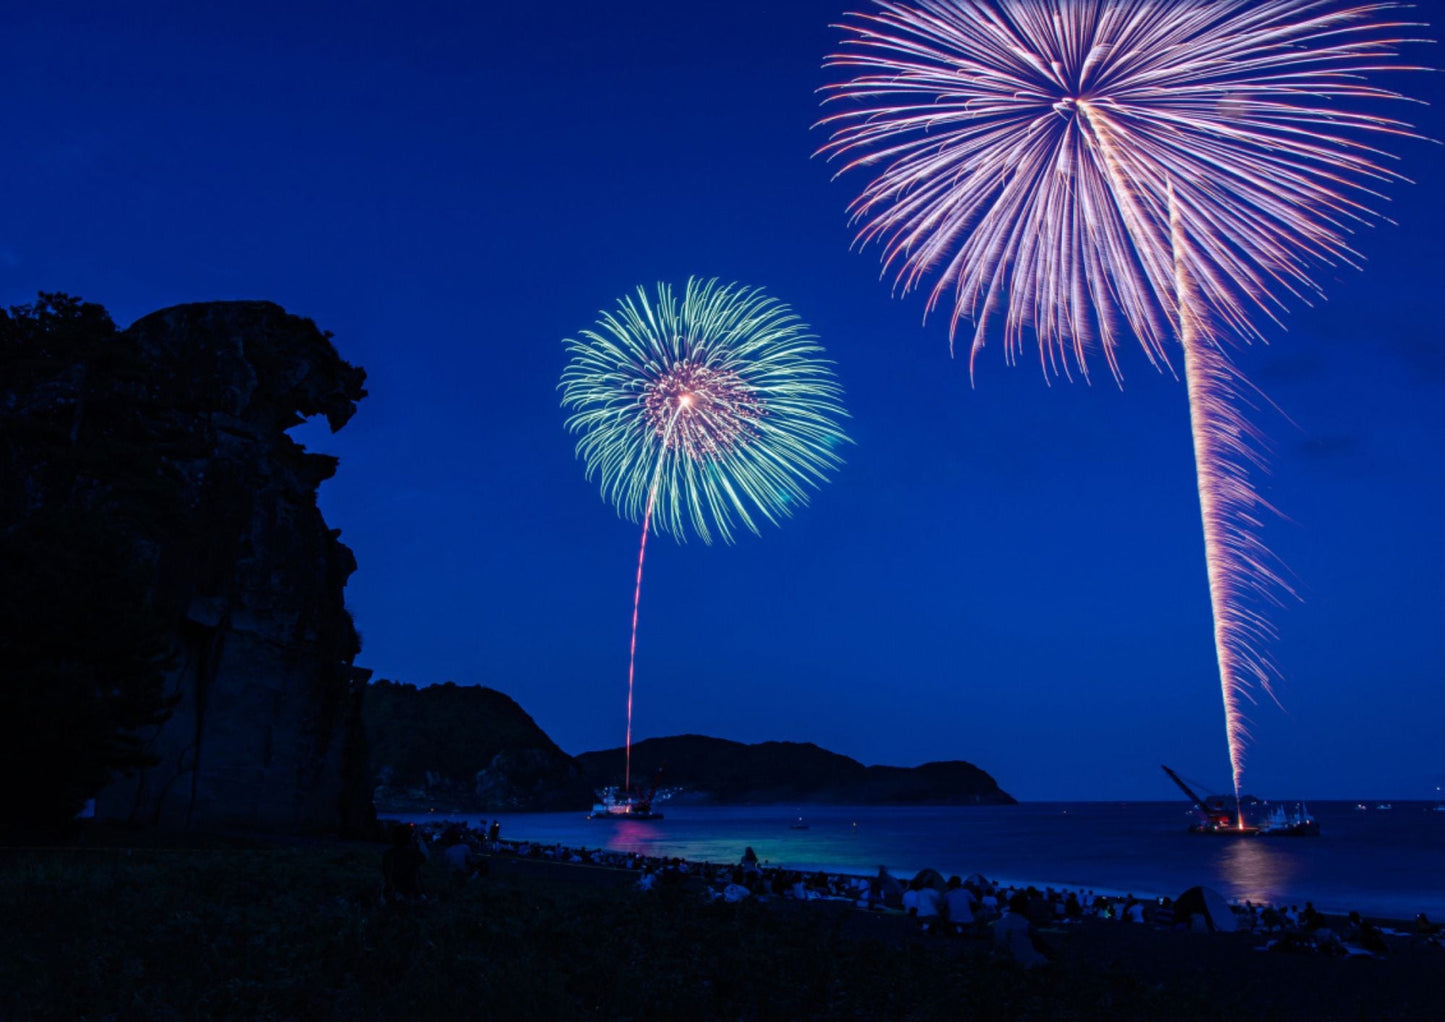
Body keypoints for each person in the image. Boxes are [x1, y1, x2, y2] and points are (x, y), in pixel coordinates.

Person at [994, 892, 1047, 968]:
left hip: (1003, 957)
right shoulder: (1027, 925)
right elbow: (1041, 944)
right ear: (1025, 907)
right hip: (1023, 961)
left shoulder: (999, 922)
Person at [382, 823, 426, 901]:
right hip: (412, 891)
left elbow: (387, 874)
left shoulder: (390, 854)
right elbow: (419, 871)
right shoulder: (414, 854)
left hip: (396, 891)